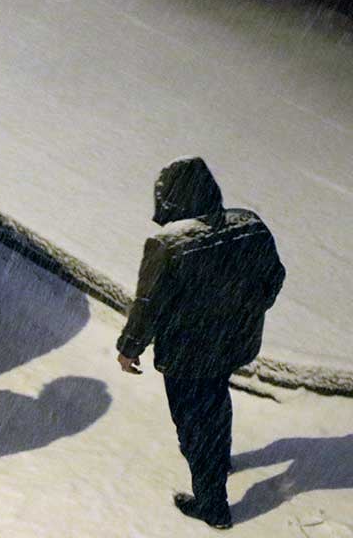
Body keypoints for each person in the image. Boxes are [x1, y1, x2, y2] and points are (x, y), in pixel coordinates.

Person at [116, 157, 286, 530]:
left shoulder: (170, 245)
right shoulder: (250, 225)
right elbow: (274, 277)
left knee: (193, 424)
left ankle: (213, 505)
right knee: (216, 400)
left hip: (187, 353)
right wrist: (242, 312)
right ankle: (220, 460)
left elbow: (148, 306)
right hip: (232, 344)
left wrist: (130, 348)